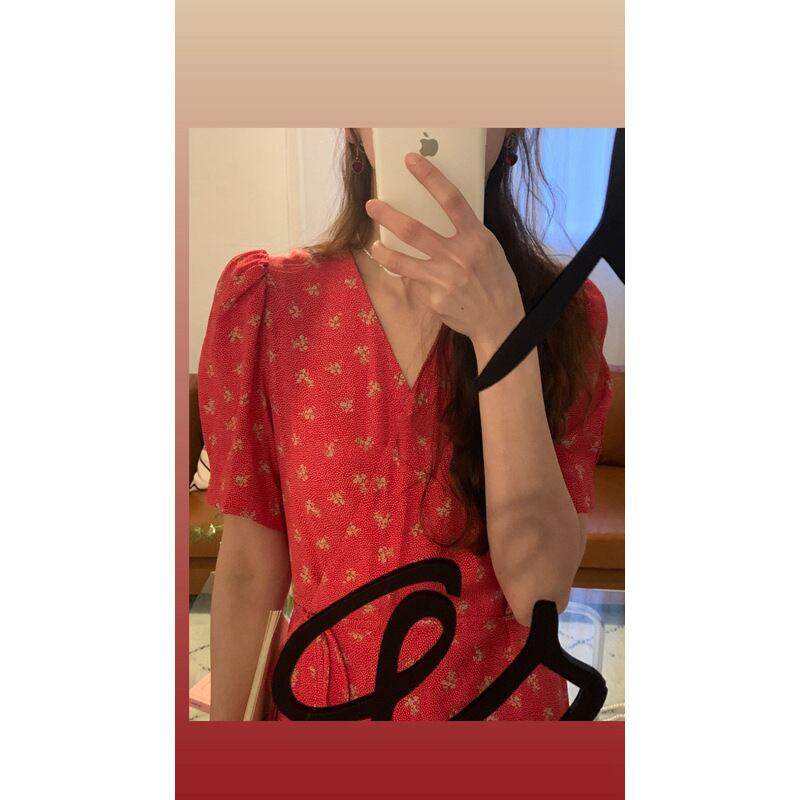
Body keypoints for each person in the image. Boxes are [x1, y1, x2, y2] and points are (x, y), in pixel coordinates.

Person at [198, 128, 614, 721]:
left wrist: (500, 332)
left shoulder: (565, 313)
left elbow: (540, 590)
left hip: (500, 711)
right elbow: (248, 572)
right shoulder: (270, 302)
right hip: (326, 713)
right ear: (353, 125)